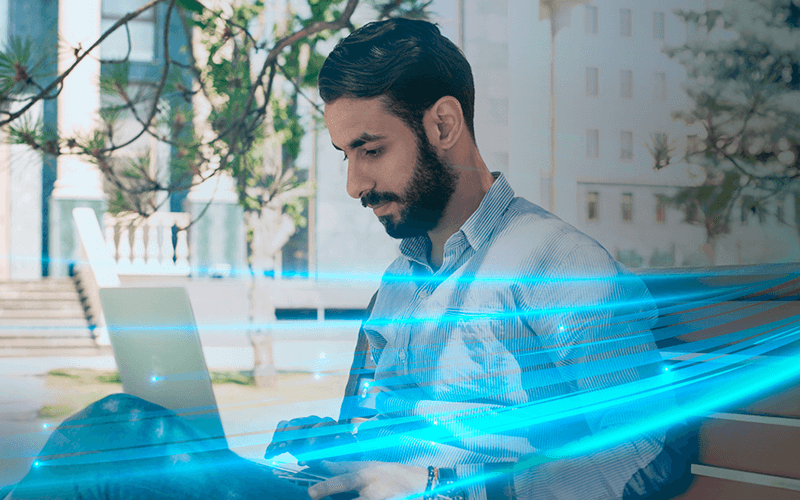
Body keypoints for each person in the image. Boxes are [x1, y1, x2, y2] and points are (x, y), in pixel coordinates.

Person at [6, 17, 691, 500]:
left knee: (119, 439)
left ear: (443, 124)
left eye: (370, 150)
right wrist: (334, 439)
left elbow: (650, 456)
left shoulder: (555, 262)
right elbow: (393, 434)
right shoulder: (403, 279)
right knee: (116, 450)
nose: (354, 184)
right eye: (344, 155)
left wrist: (442, 488)